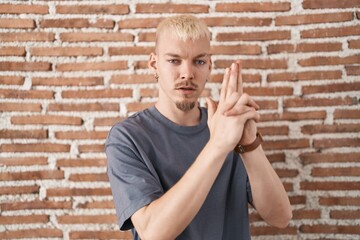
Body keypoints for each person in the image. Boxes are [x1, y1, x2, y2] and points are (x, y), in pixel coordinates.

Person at [106, 14, 292, 240]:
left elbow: (281, 218)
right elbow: (153, 233)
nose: (187, 74)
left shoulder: (227, 126)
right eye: (174, 60)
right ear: (154, 64)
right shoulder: (128, 137)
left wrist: (249, 144)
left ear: (210, 66)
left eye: (199, 61)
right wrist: (218, 145)